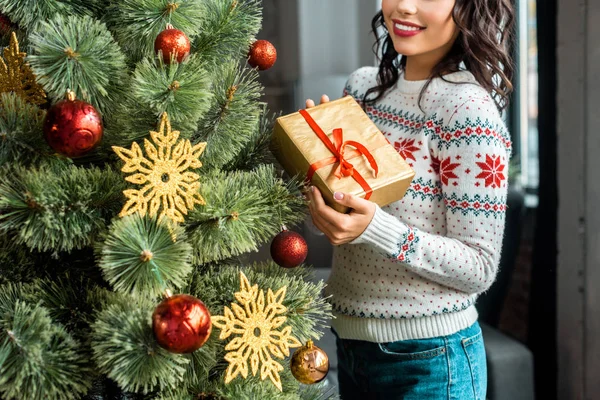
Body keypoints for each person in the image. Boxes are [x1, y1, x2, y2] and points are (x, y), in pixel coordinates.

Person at [305, 0, 515, 398]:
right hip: (350, 345)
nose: (404, 6)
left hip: (433, 363)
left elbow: (479, 266)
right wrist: (315, 161)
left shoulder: (467, 112)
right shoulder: (363, 89)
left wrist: (374, 229)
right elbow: (351, 205)